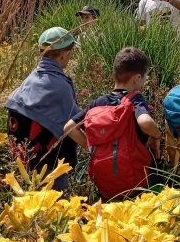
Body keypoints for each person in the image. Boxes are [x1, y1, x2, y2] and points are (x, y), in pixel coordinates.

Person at [65, 48, 162, 193]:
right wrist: (157, 136)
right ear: (136, 78)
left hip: (104, 183)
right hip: (136, 182)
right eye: (145, 76)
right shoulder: (135, 100)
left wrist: (90, 146)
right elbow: (145, 122)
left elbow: (69, 127)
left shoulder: (98, 103)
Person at [5, 28, 82, 191]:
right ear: (64, 55)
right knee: (52, 207)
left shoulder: (31, 79)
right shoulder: (60, 86)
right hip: (50, 167)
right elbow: (75, 123)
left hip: (24, 164)